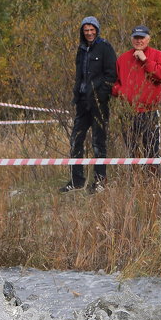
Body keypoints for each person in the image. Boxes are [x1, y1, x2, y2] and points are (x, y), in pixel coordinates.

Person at [63, 16, 116, 193]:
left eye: (92, 30)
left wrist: (101, 94)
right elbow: (79, 75)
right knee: (76, 140)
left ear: (97, 30)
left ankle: (100, 182)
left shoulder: (105, 48)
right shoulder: (81, 49)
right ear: (82, 32)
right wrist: (77, 94)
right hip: (82, 102)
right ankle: (76, 181)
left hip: (99, 103)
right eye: (86, 30)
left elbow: (111, 75)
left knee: (98, 142)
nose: (89, 33)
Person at [112, 25, 161, 178]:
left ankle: (153, 184)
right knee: (131, 150)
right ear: (131, 39)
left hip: (149, 112)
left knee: (152, 150)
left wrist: (145, 60)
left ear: (148, 39)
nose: (139, 41)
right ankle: (135, 182)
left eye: (142, 38)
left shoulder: (157, 55)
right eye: (136, 38)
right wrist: (121, 91)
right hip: (128, 113)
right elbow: (114, 83)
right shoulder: (123, 58)